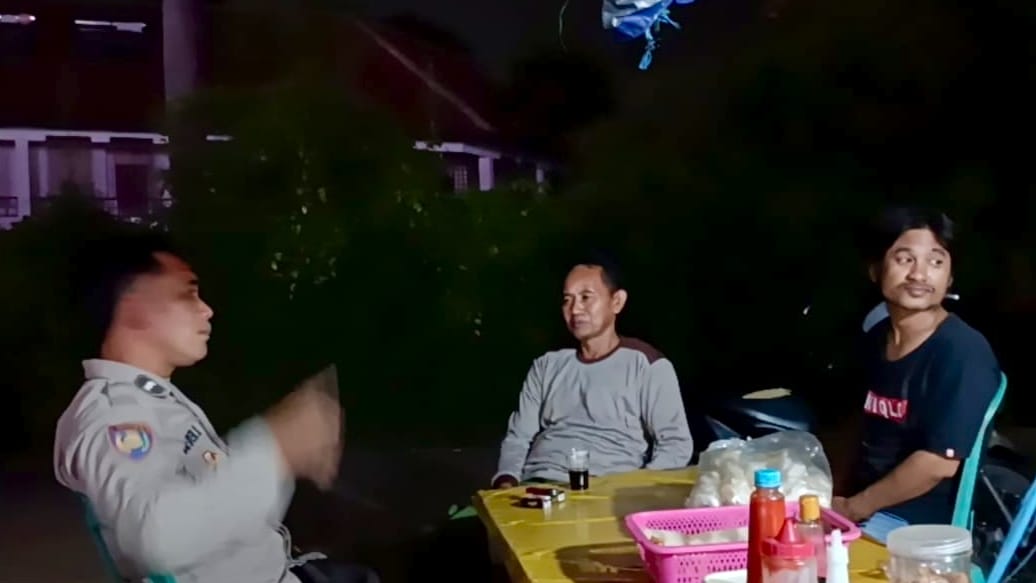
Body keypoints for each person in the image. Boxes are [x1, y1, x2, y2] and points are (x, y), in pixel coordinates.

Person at [52, 232, 378, 583]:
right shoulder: (115, 415)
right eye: (187, 294)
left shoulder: (151, 400)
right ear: (135, 307)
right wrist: (273, 450)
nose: (207, 310)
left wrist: (284, 458)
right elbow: (156, 538)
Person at [832, 207, 1001, 525]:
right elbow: (853, 427)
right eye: (905, 259)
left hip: (916, 524)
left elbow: (939, 463)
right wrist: (830, 495)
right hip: (860, 506)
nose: (919, 275)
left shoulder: (962, 352)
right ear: (875, 269)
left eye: (936, 262)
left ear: (950, 278)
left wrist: (854, 508)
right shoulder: (875, 340)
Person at [492, 255, 694, 487]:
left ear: (617, 302)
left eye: (586, 297)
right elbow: (518, 436)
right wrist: (507, 478)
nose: (575, 309)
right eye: (567, 300)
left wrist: (636, 489)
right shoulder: (547, 365)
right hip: (538, 485)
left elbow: (676, 445)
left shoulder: (647, 365)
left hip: (606, 489)